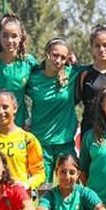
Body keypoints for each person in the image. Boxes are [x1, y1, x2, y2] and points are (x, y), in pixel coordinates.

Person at [26, 38, 80, 186]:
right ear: (47, 54)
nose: (58, 60)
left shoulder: (72, 74)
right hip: (40, 142)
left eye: (63, 57)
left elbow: (96, 69)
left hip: (65, 142)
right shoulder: (33, 78)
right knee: (44, 187)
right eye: (55, 55)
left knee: (69, 185)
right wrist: (26, 119)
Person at [0, 91, 46, 193]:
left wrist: (26, 184)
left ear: (15, 108)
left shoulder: (28, 139)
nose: (1, 112)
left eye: (5, 107)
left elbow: (40, 174)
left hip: (19, 201)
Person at [0, 14, 38, 132]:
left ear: (21, 37)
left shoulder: (29, 63)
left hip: (18, 127)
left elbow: (46, 82)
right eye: (5, 36)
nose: (9, 41)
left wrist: (67, 64)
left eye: (14, 36)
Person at [76, 25, 106, 137]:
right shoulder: (84, 74)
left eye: (105, 45)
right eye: (97, 46)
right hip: (90, 130)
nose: (102, 49)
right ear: (91, 48)